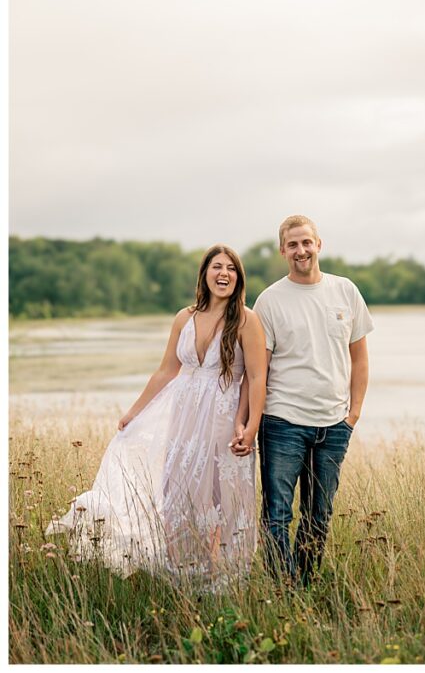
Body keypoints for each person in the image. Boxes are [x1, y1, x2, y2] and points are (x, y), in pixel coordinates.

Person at [47, 245, 267, 584]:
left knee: (220, 500)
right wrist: (134, 412)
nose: (223, 274)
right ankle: (186, 574)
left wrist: (250, 426)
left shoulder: (247, 320)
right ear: (204, 273)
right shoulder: (185, 317)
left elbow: (255, 377)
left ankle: (223, 580)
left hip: (223, 422)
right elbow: (166, 371)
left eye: (231, 269)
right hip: (182, 420)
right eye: (217, 267)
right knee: (178, 495)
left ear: (239, 278)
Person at [254, 215, 372, 584]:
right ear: (282, 251)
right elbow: (261, 369)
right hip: (282, 423)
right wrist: (252, 420)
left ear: (319, 244)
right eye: (292, 245)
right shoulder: (270, 301)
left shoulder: (345, 291)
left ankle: (304, 587)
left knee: (319, 516)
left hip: (334, 426)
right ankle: (283, 590)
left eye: (306, 242)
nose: (300, 250)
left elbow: (360, 359)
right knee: (277, 515)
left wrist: (351, 416)